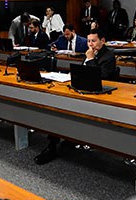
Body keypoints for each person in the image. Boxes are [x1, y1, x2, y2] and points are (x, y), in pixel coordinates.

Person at [34, 28, 116, 165]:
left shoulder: (108, 56)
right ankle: (53, 145)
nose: (90, 44)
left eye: (94, 41)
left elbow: (102, 77)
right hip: (81, 89)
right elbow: (83, 71)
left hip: (97, 96)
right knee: (57, 108)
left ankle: (63, 140)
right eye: (89, 41)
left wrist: (90, 59)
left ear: (102, 41)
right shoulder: (90, 52)